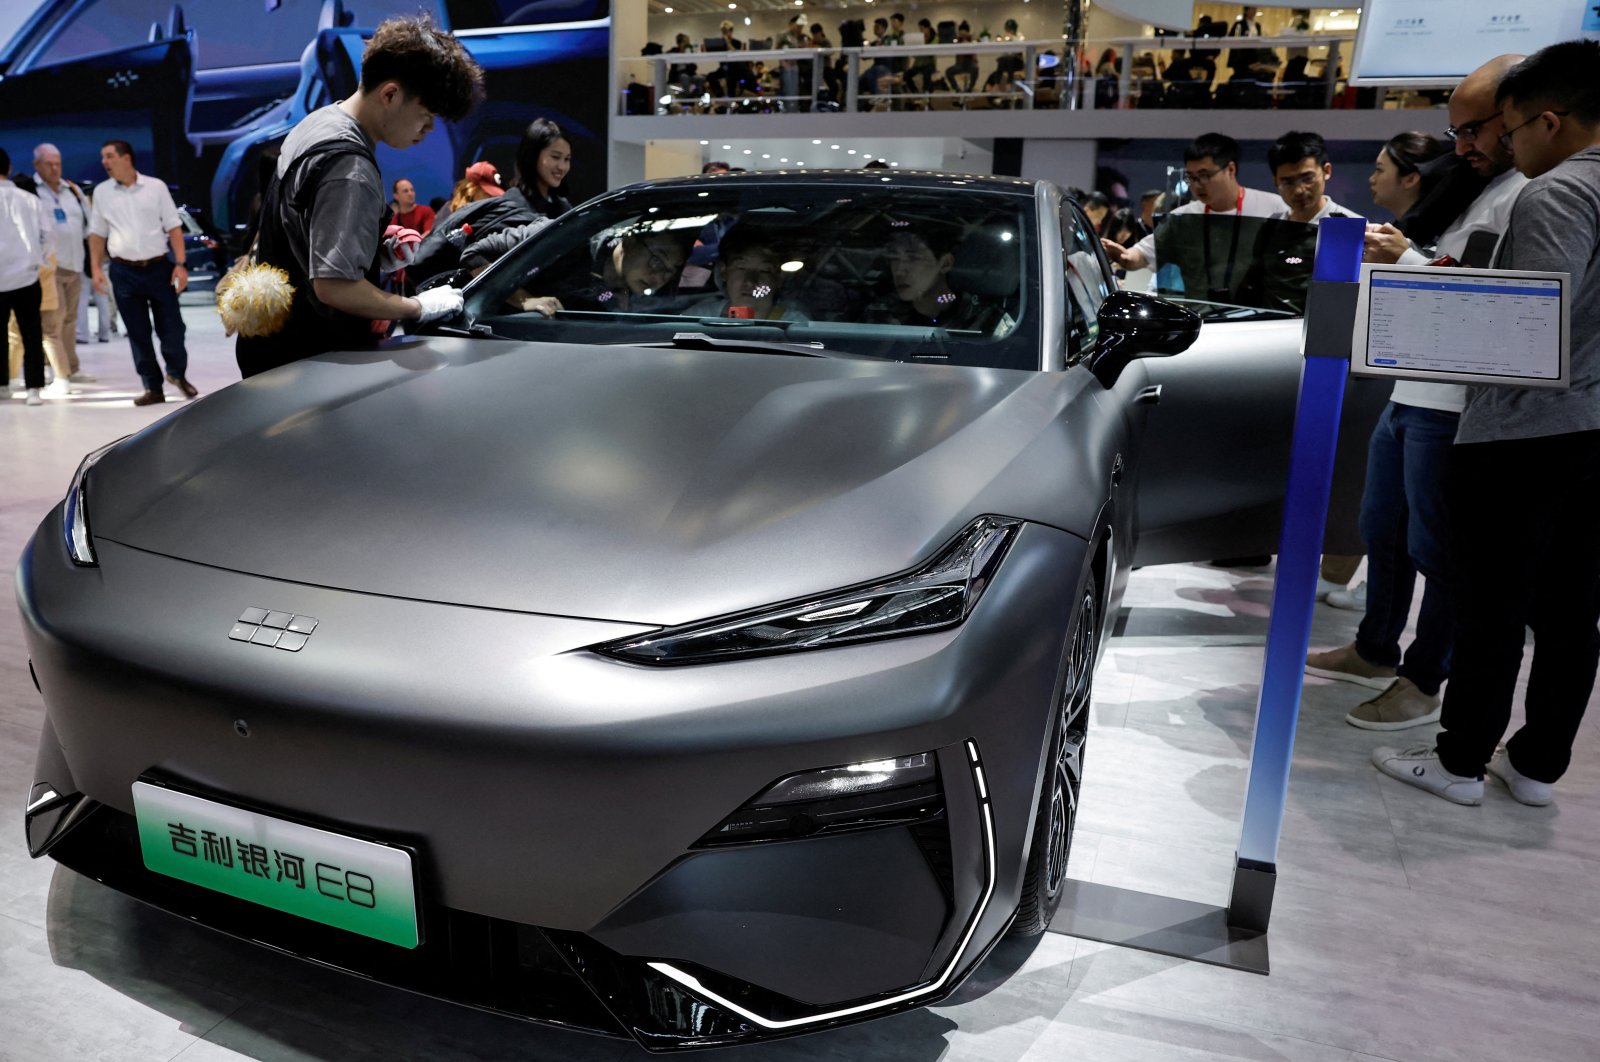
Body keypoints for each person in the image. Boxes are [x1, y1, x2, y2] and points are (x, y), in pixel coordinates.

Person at [1373, 41, 1600, 806]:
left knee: (1492, 602)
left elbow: (1533, 326)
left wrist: (1405, 316)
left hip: (1527, 433)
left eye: (1509, 127)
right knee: (1572, 610)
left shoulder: (1558, 193)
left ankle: (1461, 759)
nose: (1504, 145)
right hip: (1589, 432)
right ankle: (1537, 766)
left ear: (1549, 119)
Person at [1312, 59, 1528, 733]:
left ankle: (1424, 677)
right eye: (1455, 130)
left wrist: (1404, 261)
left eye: (1473, 129)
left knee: (1441, 554)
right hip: (1413, 391)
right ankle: (1377, 649)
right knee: (1385, 532)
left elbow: (1488, 301)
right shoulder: (1482, 190)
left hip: (1456, 404)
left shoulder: (1531, 194)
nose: (1461, 145)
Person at [234, 15, 483, 379]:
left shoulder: (317, 123)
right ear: (391, 94)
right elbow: (335, 287)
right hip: (309, 363)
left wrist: (369, 249)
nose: (428, 130)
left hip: (270, 347)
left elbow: (305, 236)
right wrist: (415, 306)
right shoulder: (350, 167)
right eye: (426, 116)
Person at [1101, 133, 1287, 299]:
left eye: (1204, 175)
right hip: (1201, 320)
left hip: (1259, 320)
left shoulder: (1273, 207)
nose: (1197, 185)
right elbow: (1141, 255)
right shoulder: (1182, 218)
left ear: (1230, 170)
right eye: (1191, 177)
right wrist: (1124, 256)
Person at [86, 139, 195, 405]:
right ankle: (152, 387)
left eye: (110, 156)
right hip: (124, 271)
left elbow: (174, 227)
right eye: (103, 157)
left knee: (173, 327)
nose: (105, 162)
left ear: (126, 158)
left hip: (159, 267)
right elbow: (97, 234)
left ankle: (176, 373)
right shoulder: (102, 192)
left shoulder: (155, 187)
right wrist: (96, 269)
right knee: (137, 332)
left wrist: (180, 264)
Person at [1238, 131, 1356, 314]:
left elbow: (1341, 301)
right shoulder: (1271, 225)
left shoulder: (1347, 227)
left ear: (1326, 171)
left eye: (1307, 179)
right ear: (1275, 182)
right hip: (1266, 330)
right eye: (1287, 182)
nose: (1299, 190)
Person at [32, 143, 94, 389]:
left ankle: (71, 366)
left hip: (75, 264)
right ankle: (55, 370)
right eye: (49, 163)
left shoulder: (73, 190)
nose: (55, 168)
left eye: (58, 163)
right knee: (52, 323)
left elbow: (89, 225)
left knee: (70, 319)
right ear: (37, 165)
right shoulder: (32, 191)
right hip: (49, 268)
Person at [867, 223, 997, 332]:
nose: (899, 270)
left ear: (945, 263)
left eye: (913, 258)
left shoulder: (981, 317)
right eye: (894, 258)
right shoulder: (878, 314)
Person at [0, 146, 55, 405]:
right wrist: (38, 261)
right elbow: (48, 235)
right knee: (31, 332)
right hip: (27, 277)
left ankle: (2, 385)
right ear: (9, 169)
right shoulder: (31, 200)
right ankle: (33, 387)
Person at [521, 119, 573, 219]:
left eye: (567, 159)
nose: (562, 167)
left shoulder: (563, 206)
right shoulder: (513, 206)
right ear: (533, 155)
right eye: (555, 157)